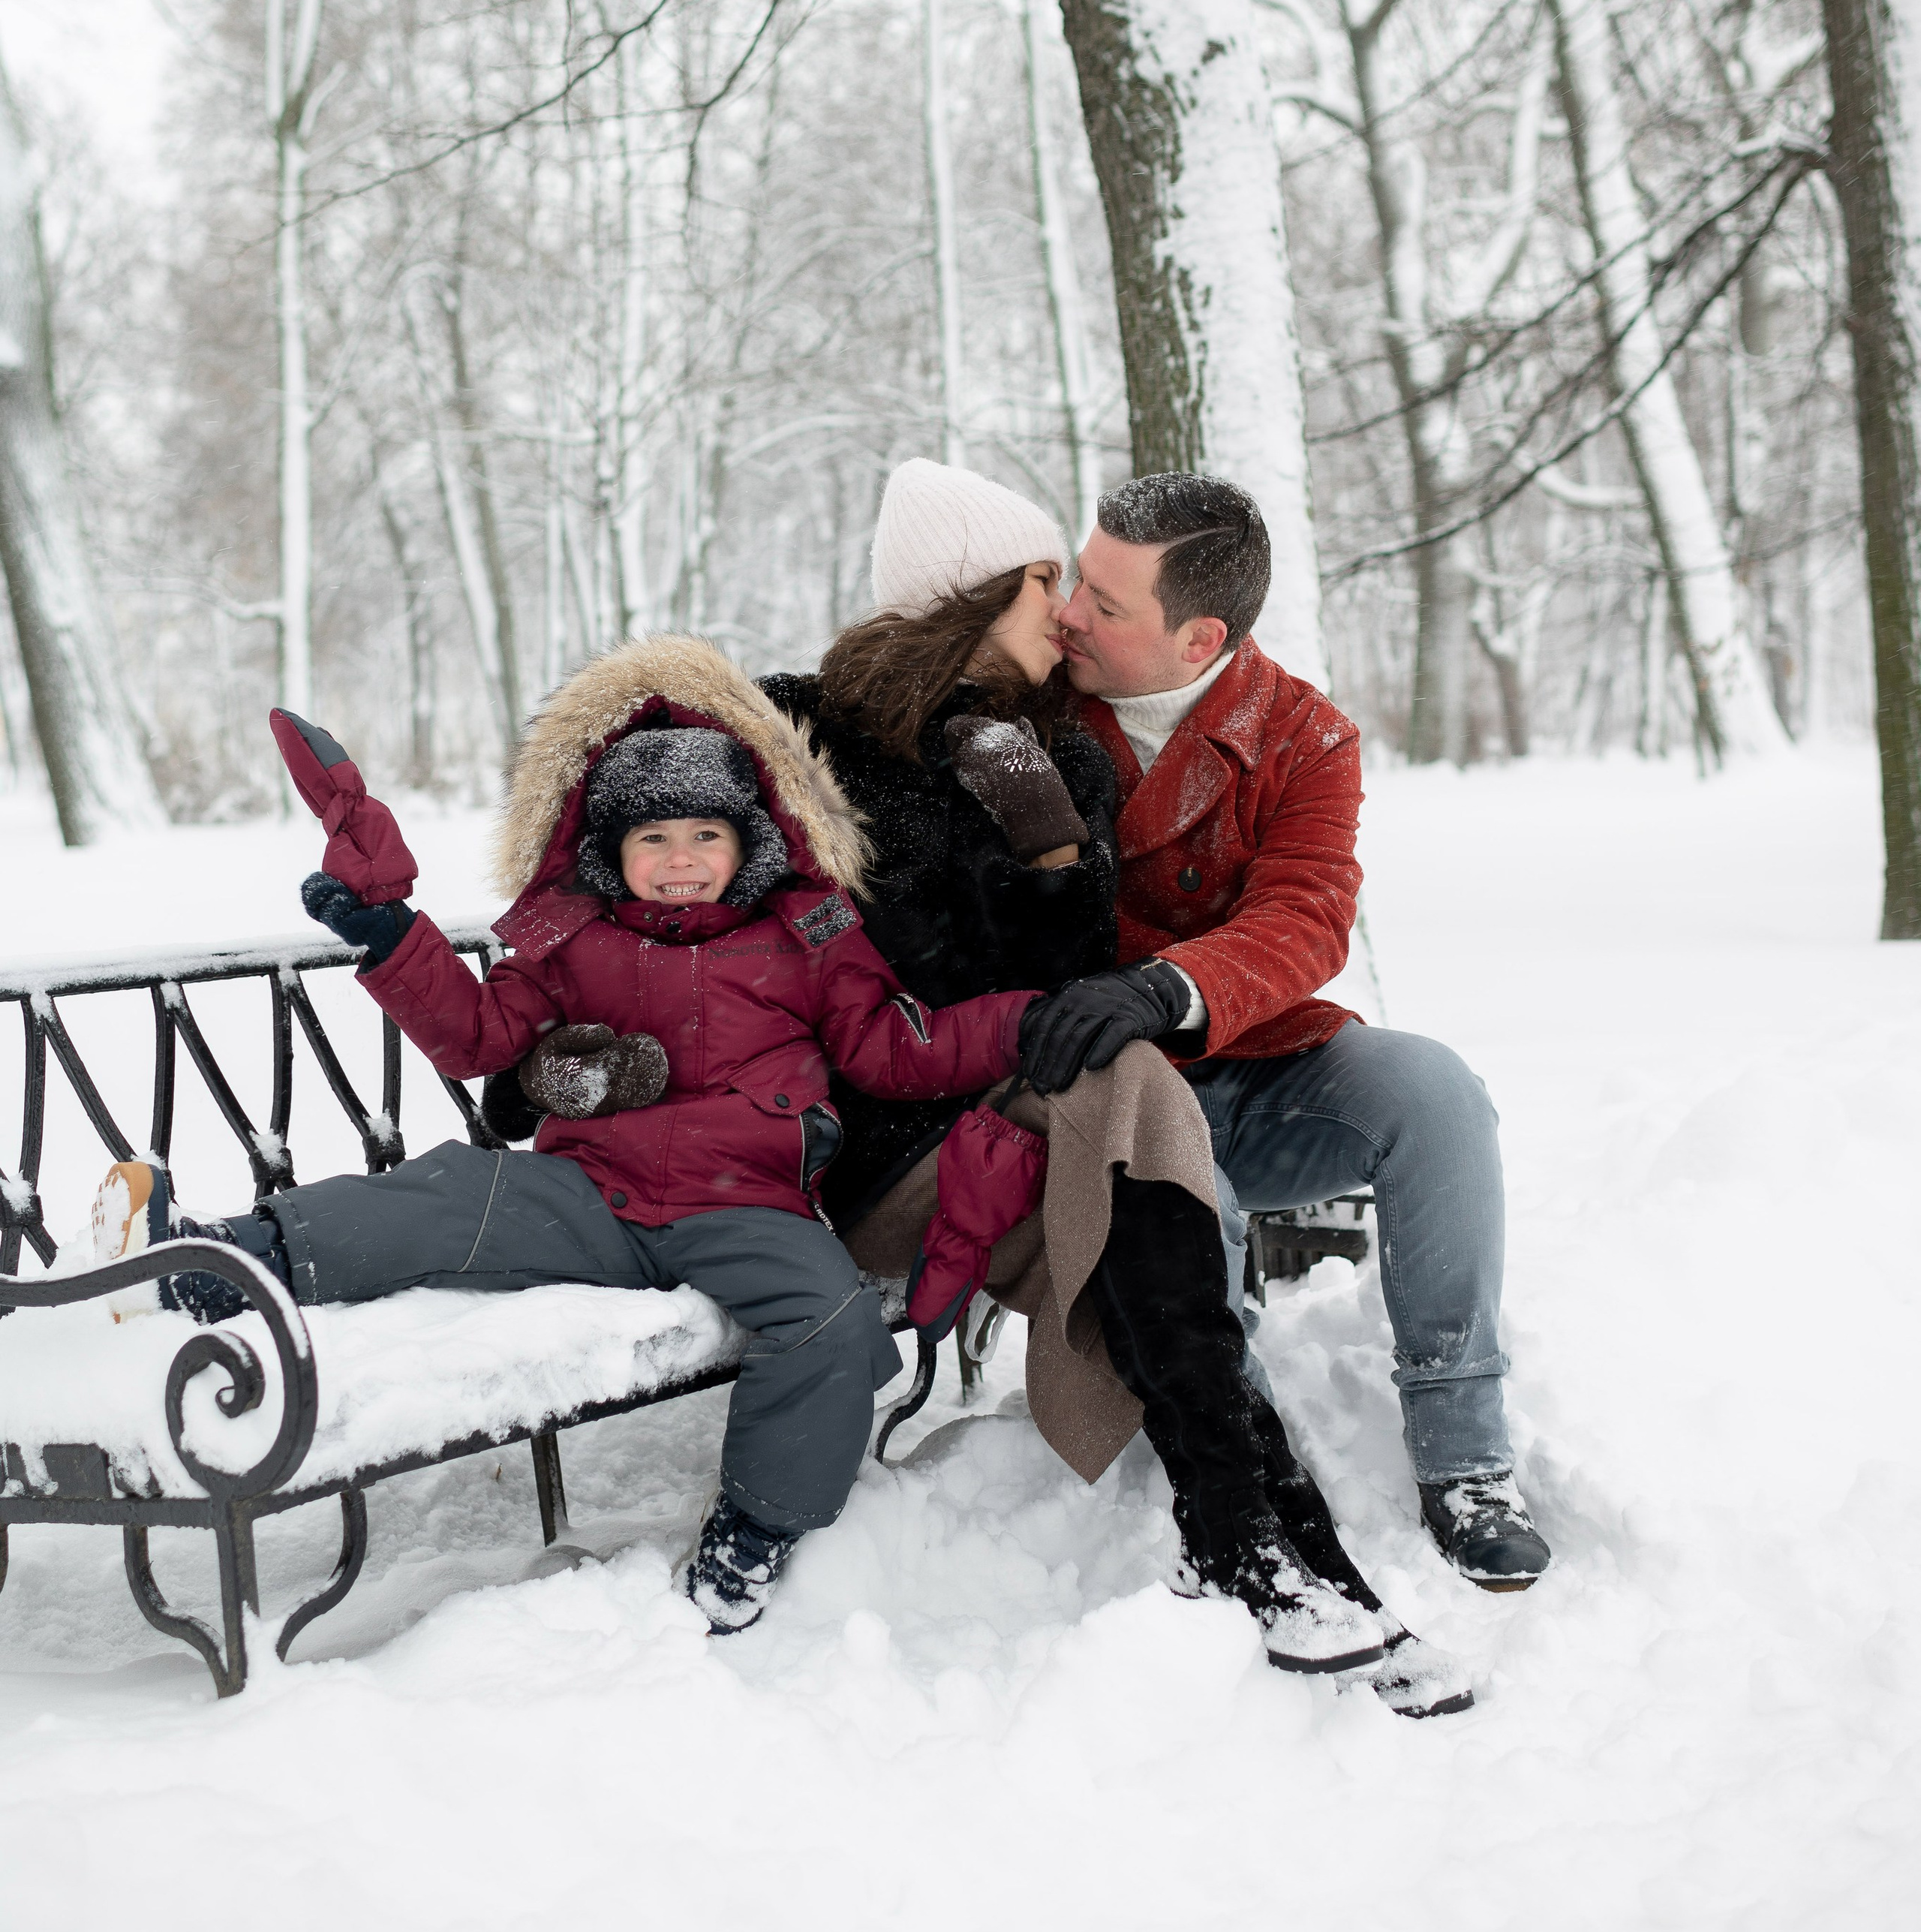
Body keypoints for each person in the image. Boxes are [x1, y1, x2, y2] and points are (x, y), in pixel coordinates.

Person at [703, 458, 1466, 1711]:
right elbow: (719, 912)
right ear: (969, 596)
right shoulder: (797, 736)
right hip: (859, 1147)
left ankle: (1265, 1546)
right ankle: (1264, 1548)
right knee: (1125, 1096)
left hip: (1010, 1125)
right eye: (1046, 581)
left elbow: (1065, 989)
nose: (1063, 613)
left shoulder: (1064, 758)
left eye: (1078, 589)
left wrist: (1050, 844)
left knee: (1133, 1087)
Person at [88, 635, 1039, 1636]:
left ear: (747, 840)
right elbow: (475, 1037)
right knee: (449, 1191)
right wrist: (390, 936)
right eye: (654, 841)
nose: (681, 861)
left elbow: (896, 1050)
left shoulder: (807, 935)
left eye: (705, 837)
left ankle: (755, 1534)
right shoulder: (572, 937)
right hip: (595, 1194)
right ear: (612, 853)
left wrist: (1027, 1021)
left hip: (749, 1207)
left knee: (829, 1322)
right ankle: (228, 1262)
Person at [1028, 471, 1552, 1593]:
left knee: (1435, 1092)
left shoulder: (1304, 735)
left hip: (1249, 1055)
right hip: (1102, 1094)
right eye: (1079, 576)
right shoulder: (1032, 710)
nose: (1067, 610)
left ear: (1199, 636)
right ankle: (1242, 1469)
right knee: (1177, 1179)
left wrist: (1169, 986)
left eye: (1104, 603)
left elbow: (1307, 916)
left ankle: (1465, 1460)